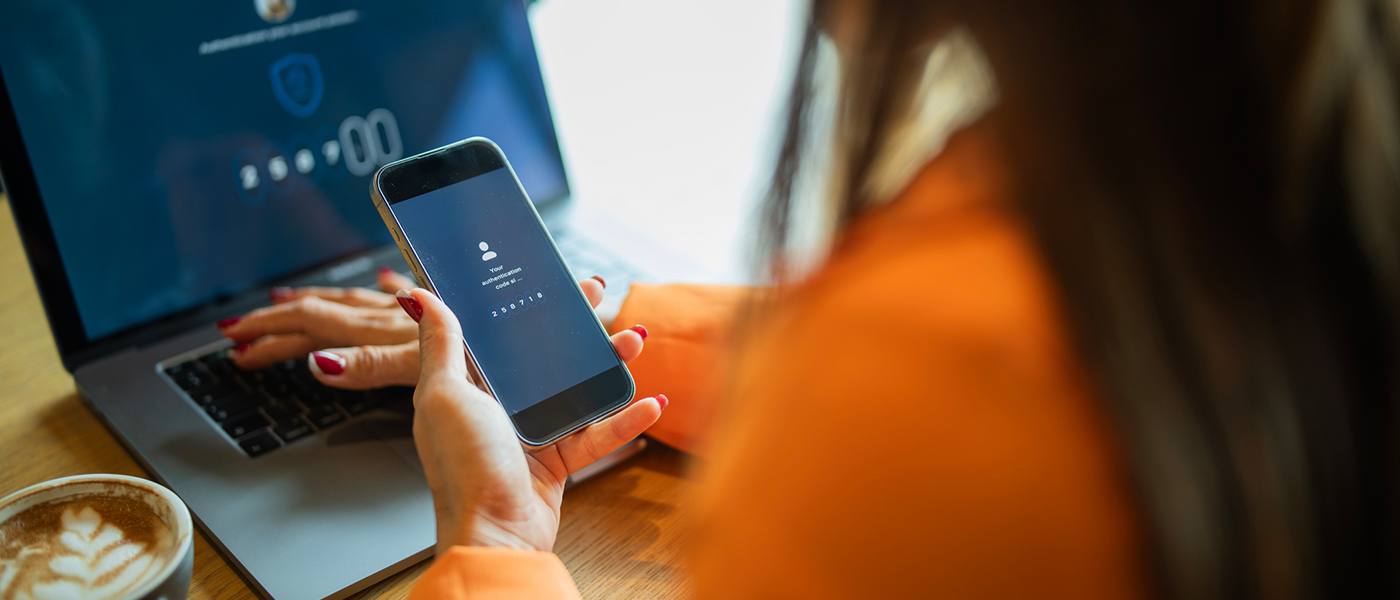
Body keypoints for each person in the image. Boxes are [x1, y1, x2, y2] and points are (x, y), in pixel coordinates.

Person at [220, 0, 1400, 597]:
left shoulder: (923, 373)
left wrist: (489, 548)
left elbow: (936, 386)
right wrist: (589, 322)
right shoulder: (1290, 151)